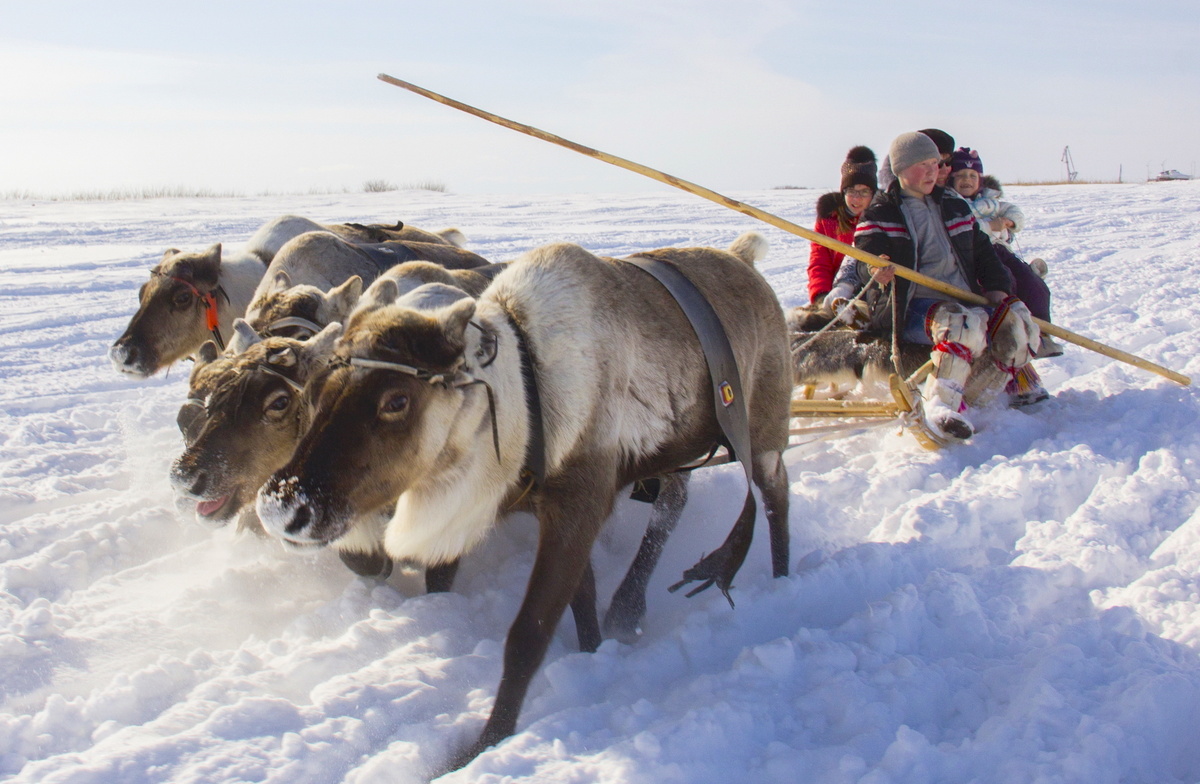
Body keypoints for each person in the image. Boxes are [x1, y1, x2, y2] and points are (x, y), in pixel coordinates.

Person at [825, 131, 1041, 441]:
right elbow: (862, 257)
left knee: (1021, 323)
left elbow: (984, 253)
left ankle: (977, 399)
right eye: (922, 165)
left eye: (935, 164)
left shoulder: (953, 204)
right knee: (961, 323)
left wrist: (999, 290)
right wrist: (874, 266)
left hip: (962, 299)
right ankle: (942, 407)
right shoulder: (881, 212)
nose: (932, 172)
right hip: (910, 306)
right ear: (901, 169)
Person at [948, 146, 1061, 361]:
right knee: (1006, 284)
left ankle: (1042, 335)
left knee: (1034, 286)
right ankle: (1012, 335)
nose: (967, 180)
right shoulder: (952, 203)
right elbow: (965, 228)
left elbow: (1014, 211)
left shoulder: (990, 200)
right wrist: (992, 225)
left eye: (973, 176)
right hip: (979, 252)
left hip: (1001, 250)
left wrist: (1009, 222)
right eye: (960, 175)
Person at [806, 145, 878, 305]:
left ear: (873, 193)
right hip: (834, 294)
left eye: (864, 191)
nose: (856, 198)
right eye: (851, 191)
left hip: (870, 295)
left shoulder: (881, 218)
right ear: (843, 191)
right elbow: (819, 261)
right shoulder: (829, 218)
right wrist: (821, 295)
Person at [878, 128, 955, 191]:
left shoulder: (957, 203)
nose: (945, 170)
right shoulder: (885, 206)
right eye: (937, 164)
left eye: (949, 162)